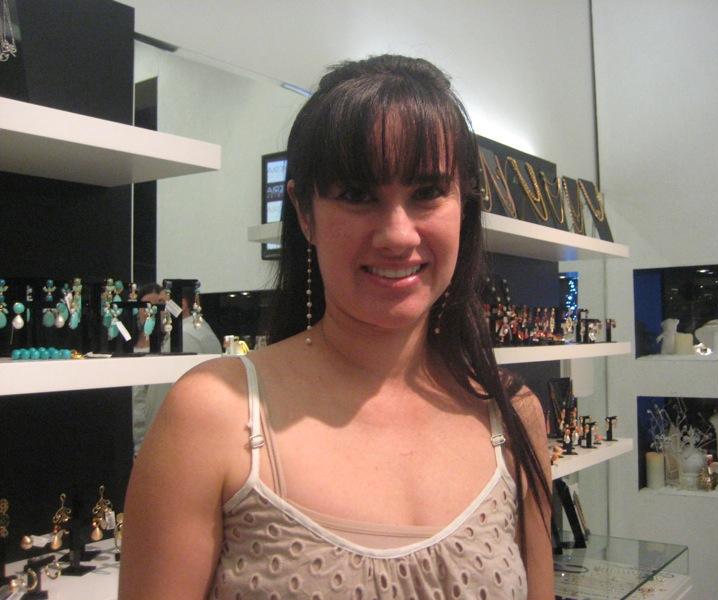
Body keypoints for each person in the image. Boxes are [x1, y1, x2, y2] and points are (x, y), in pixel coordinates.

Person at [120, 54, 553, 599]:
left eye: (426, 193)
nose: (397, 235)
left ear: (462, 205)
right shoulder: (213, 415)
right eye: (357, 194)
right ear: (305, 213)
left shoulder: (512, 416)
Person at [130, 283, 222, 455]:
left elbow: (162, 397)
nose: (157, 309)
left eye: (162, 302)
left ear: (181, 304)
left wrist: (150, 446)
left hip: (174, 443)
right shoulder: (198, 330)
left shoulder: (183, 337)